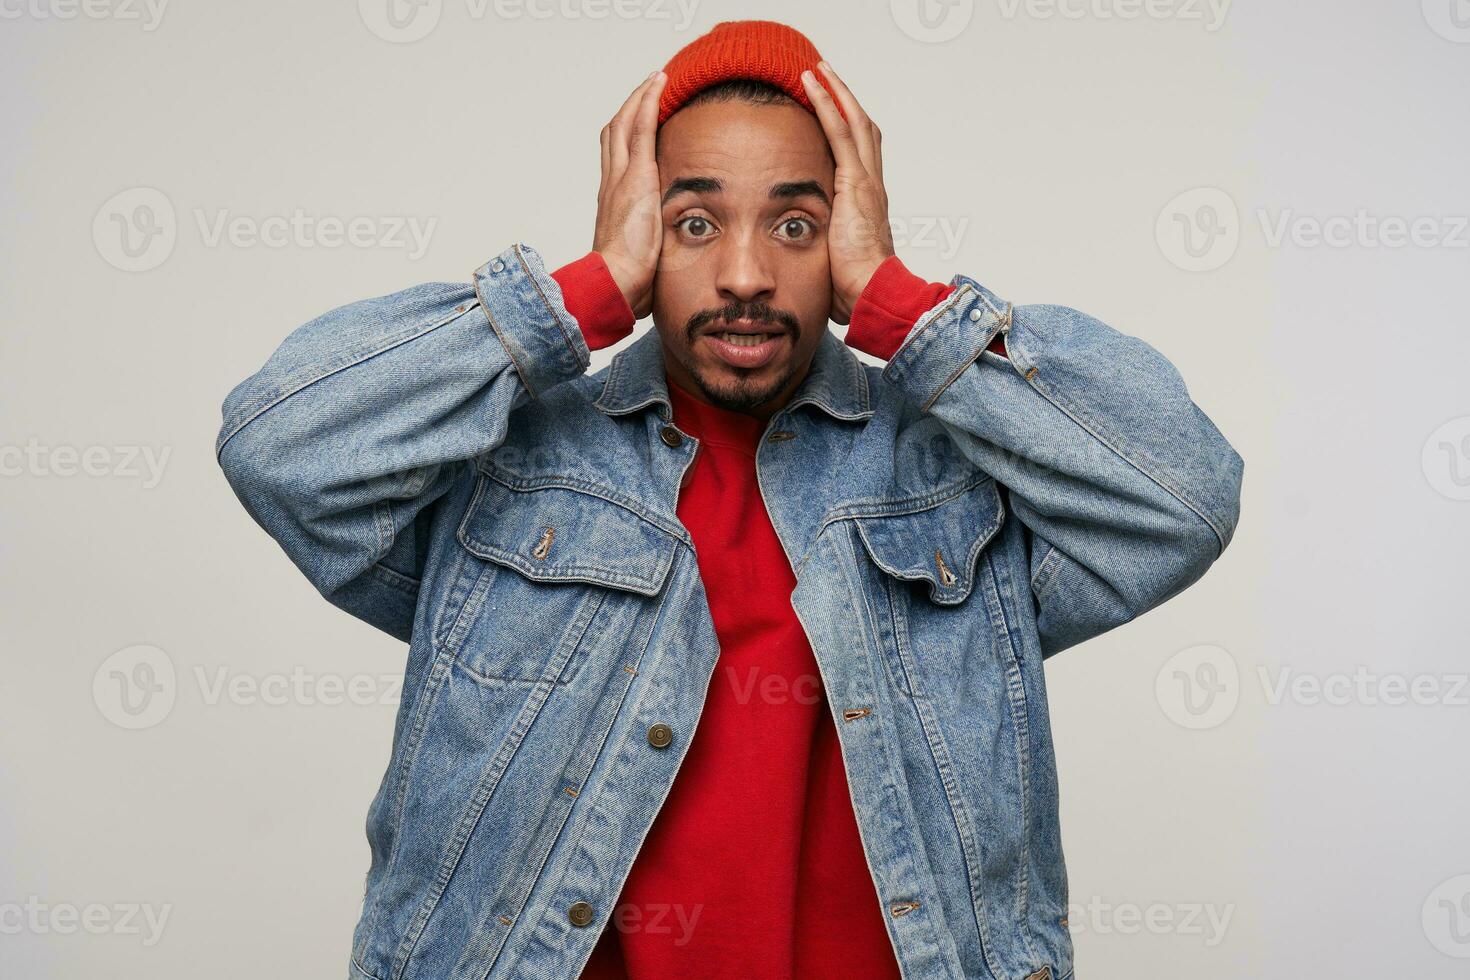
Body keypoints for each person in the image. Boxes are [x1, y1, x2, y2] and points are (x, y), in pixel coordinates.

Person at [216, 19, 1243, 980]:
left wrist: (897, 300)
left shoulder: (956, 476)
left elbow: (1185, 495)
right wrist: (582, 294)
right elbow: (279, 445)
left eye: (795, 223)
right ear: (638, 228)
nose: (746, 272)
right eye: (693, 221)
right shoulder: (509, 462)